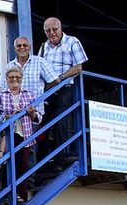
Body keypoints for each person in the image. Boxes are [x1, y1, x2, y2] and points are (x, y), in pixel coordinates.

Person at [38, 17, 88, 169]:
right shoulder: (43, 47)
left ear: (61, 28)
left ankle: (61, 159)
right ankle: (43, 161)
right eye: (48, 30)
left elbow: (78, 67)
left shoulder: (72, 42)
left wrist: (59, 79)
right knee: (42, 123)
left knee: (61, 124)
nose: (52, 33)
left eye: (54, 29)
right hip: (47, 90)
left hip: (64, 87)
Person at [0, 65, 42, 203]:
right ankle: (7, 194)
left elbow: (39, 117)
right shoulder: (1, 94)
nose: (14, 80)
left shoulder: (29, 94)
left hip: (25, 133)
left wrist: (32, 114)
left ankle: (21, 194)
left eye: (17, 77)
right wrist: (11, 116)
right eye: (11, 77)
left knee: (23, 164)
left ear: (21, 79)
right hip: (8, 134)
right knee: (8, 163)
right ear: (7, 79)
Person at [5, 36, 58, 114]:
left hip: (35, 111)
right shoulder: (9, 66)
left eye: (25, 45)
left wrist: (43, 91)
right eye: (19, 46)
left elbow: (55, 80)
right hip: (15, 113)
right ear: (14, 49)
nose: (22, 48)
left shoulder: (39, 62)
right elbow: (4, 88)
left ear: (29, 48)